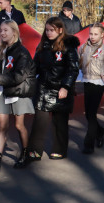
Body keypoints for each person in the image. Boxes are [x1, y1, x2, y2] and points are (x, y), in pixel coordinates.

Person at [21, 17, 80, 161]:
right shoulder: (43, 45)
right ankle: (35, 150)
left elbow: (73, 69)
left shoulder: (68, 46)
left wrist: (65, 87)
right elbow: (35, 66)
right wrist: (25, 79)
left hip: (60, 89)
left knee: (59, 122)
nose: (48, 33)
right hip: (43, 88)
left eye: (52, 30)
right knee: (39, 121)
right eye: (47, 30)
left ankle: (59, 149)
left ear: (60, 30)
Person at [0, 20, 35, 173]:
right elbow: (2, 71)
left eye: (6, 30)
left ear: (14, 32)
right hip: (4, 90)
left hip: (18, 91)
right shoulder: (3, 50)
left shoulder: (22, 52)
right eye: (0, 30)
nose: (2, 33)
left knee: (19, 125)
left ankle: (25, 153)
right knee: (2, 125)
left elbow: (19, 76)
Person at [77, 23, 104, 154]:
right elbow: (79, 64)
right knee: (89, 114)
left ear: (102, 34)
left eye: (95, 34)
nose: (92, 36)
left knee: (91, 113)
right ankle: (100, 131)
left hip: (98, 83)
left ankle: (88, 143)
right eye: (91, 34)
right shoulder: (83, 47)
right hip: (86, 81)